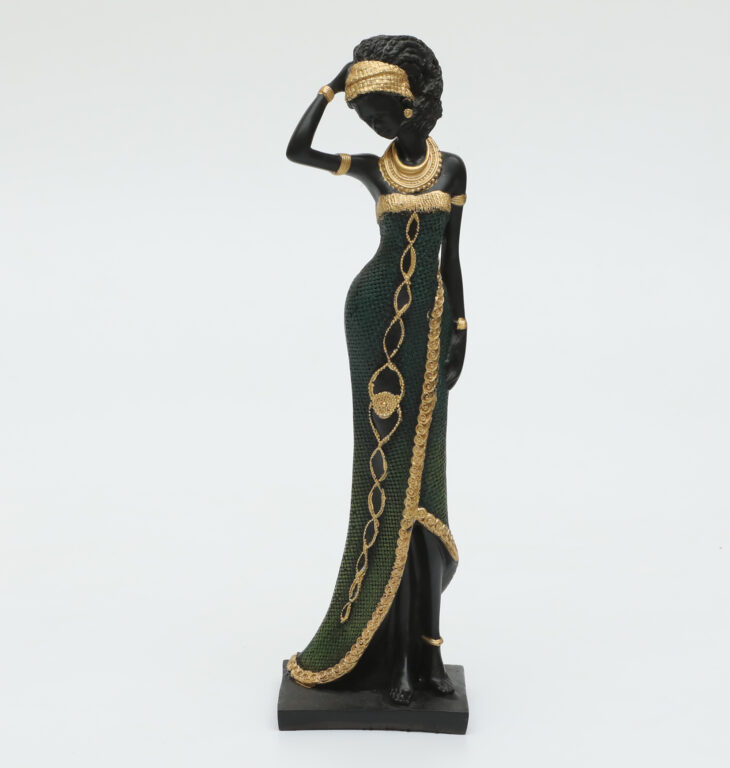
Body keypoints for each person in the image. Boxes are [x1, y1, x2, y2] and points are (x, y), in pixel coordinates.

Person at [284, 34, 468, 705]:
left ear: (411, 104)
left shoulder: (453, 171)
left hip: (429, 325)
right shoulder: (372, 168)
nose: (374, 127)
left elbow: (452, 260)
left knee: (424, 478)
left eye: (380, 113)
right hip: (371, 318)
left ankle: (425, 654)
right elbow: (297, 149)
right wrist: (333, 86)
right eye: (366, 118)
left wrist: (461, 330)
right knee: (382, 467)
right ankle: (387, 654)